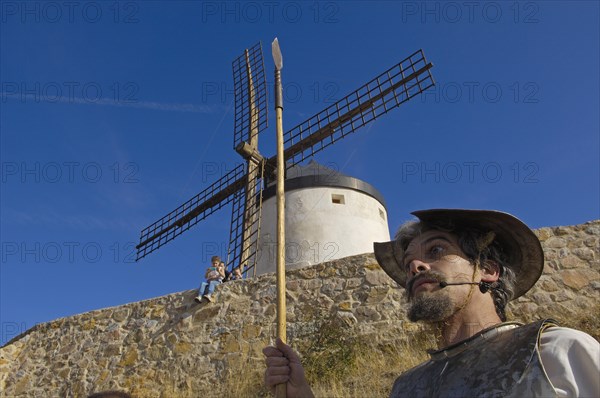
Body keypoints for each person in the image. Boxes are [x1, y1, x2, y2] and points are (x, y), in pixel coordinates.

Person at [263, 209, 600, 397]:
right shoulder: (407, 387)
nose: (415, 266)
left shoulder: (557, 352)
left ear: (488, 270)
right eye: (410, 261)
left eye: (436, 251)